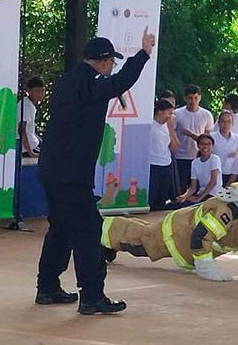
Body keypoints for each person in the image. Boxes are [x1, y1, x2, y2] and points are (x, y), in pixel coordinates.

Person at [36, 29, 155, 315]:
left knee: (61, 229)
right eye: (111, 62)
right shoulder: (89, 85)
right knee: (88, 230)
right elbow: (121, 82)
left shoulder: (66, 81)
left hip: (52, 169)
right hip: (71, 173)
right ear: (102, 62)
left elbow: (113, 84)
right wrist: (144, 54)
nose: (112, 66)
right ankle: (91, 295)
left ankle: (47, 287)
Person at [174, 85, 214, 190]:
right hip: (180, 156)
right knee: (180, 188)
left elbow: (208, 138)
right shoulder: (177, 114)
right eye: (190, 98)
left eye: (196, 97)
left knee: (197, 187)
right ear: (185, 98)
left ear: (200, 98)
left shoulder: (206, 115)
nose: (193, 101)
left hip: (198, 156)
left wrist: (191, 134)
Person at [149, 98, 179, 210]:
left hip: (166, 164)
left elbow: (175, 147)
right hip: (153, 165)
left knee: (162, 199)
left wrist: (171, 129)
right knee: (151, 197)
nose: (170, 116)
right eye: (169, 113)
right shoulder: (150, 125)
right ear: (160, 111)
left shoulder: (168, 126)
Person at [177, 134, 222, 204]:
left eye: (208, 144)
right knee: (177, 203)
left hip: (214, 195)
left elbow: (213, 182)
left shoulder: (215, 159)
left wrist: (199, 198)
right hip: (201, 194)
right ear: (198, 145)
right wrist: (184, 196)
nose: (205, 146)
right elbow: (192, 187)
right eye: (202, 144)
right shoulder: (195, 162)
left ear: (212, 146)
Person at [18, 76, 45, 158]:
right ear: (29, 91)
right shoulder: (26, 106)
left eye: (42, 91)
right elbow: (21, 130)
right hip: (29, 147)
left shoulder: (30, 104)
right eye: (37, 91)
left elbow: (29, 131)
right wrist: (31, 153)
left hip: (33, 143)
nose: (40, 94)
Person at [210, 110, 238, 184]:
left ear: (232, 123)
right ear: (219, 123)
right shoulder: (212, 137)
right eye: (223, 121)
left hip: (231, 174)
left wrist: (237, 153)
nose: (225, 124)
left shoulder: (237, 138)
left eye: (228, 122)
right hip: (214, 174)